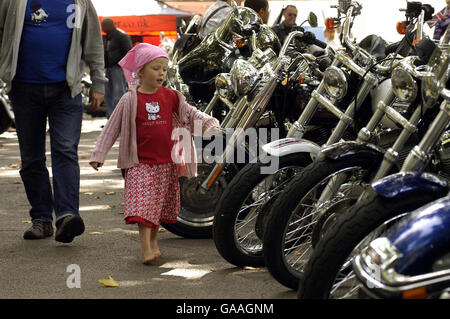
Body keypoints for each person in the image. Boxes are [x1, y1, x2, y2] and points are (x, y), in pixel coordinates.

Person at [89, 43, 220, 264]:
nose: (161, 73)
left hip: (166, 164)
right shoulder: (129, 100)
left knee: (157, 207)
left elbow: (190, 113)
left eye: (164, 69)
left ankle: (154, 242)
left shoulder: (171, 97)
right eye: (155, 68)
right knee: (144, 206)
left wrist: (209, 124)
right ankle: (145, 247)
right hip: (141, 165)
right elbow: (112, 127)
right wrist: (98, 154)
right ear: (140, 71)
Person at [0, 0, 107, 243]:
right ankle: (41, 220)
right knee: (31, 158)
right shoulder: (12, 2)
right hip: (24, 88)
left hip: (66, 90)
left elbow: (93, 44)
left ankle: (66, 216)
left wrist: (99, 83)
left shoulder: (79, 2)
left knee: (66, 151)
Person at [101, 18, 133, 118]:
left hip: (119, 68)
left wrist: (123, 66)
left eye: (104, 26)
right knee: (109, 94)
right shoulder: (108, 37)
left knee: (118, 94)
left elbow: (129, 52)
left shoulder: (121, 36)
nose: (103, 28)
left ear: (110, 25)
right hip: (110, 68)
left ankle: (120, 118)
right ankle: (111, 118)